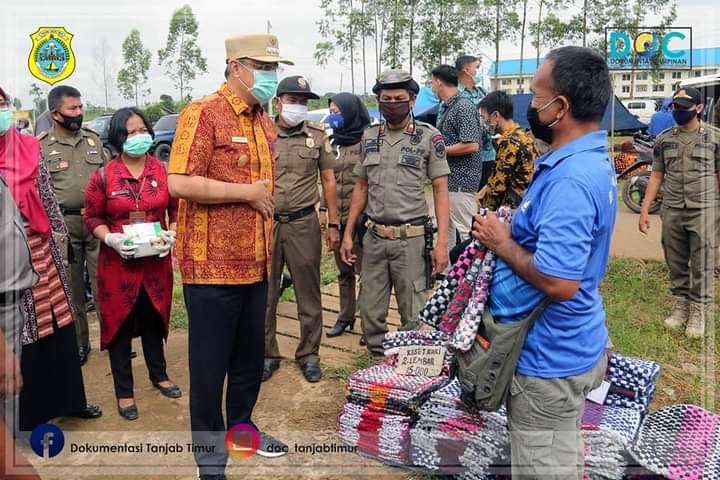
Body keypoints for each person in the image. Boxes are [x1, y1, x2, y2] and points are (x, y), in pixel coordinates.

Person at [473, 47, 616, 478]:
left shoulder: (571, 179)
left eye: (536, 97)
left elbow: (558, 282)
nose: (530, 106)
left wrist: (501, 241)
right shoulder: (583, 162)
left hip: (549, 358)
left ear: (561, 107)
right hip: (567, 346)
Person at [167, 33, 289, 479]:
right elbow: (179, 182)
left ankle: (242, 427)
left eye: (275, 67)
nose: (272, 76)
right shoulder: (203, 114)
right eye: (264, 66)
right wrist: (247, 193)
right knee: (209, 368)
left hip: (255, 262)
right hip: (212, 269)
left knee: (248, 361)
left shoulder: (262, 119)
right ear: (236, 66)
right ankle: (211, 460)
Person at [0, 87, 102, 433]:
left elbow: (47, 199)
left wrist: (59, 245)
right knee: (26, 331)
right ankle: (30, 416)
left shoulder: (29, 147)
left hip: (43, 247)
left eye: (3, 104)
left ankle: (71, 402)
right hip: (8, 260)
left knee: (59, 322)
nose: (2, 111)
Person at [340, 69, 451, 357]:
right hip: (374, 240)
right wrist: (349, 233)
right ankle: (377, 366)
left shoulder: (429, 137)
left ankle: (407, 376)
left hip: (411, 241)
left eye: (398, 98)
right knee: (370, 311)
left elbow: (440, 190)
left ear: (412, 100)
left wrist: (442, 244)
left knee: (413, 313)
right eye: (385, 98)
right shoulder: (369, 136)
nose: (391, 103)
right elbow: (361, 187)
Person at [84, 107, 180, 421]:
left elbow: (178, 210)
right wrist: (109, 239)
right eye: (130, 132)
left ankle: (159, 374)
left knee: (154, 318)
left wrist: (172, 234)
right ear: (117, 138)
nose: (139, 137)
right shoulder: (103, 175)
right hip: (118, 267)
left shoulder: (163, 171)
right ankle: (124, 391)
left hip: (156, 264)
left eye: (143, 130)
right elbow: (92, 217)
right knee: (120, 326)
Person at [263, 76, 340, 383]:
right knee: (265, 293)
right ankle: (267, 354)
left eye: (304, 101)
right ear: (278, 101)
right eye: (293, 100)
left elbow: (329, 181)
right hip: (267, 224)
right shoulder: (262, 133)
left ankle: (309, 354)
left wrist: (333, 222)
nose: (299, 106)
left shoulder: (317, 135)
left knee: (308, 292)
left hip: (303, 223)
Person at [639, 87, 720, 339]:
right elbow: (656, 175)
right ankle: (681, 306)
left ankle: (698, 311)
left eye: (684, 107)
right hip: (673, 209)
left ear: (698, 108)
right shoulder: (664, 139)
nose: (678, 111)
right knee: (676, 262)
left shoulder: (715, 138)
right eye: (675, 106)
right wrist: (644, 209)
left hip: (705, 209)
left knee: (703, 262)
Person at [39, 85, 106, 366]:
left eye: (80, 107)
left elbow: (106, 177)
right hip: (64, 225)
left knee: (105, 283)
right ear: (56, 114)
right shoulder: (42, 146)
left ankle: (114, 339)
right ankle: (81, 343)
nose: (79, 113)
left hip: (97, 222)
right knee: (73, 287)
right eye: (72, 109)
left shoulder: (94, 140)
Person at [324, 93, 372, 340]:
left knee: (366, 272)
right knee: (344, 272)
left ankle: (368, 323)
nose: (334, 116)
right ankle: (345, 316)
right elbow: (327, 182)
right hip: (338, 219)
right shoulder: (331, 144)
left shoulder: (367, 142)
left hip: (362, 221)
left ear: (351, 113)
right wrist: (327, 218)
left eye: (338, 111)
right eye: (331, 111)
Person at [431, 65, 483, 252]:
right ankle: (449, 275)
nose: (431, 86)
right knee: (449, 231)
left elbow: (472, 144)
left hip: (461, 181)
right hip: (449, 180)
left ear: (438, 82)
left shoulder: (463, 106)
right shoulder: (447, 107)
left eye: (432, 82)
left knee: (467, 231)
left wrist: (439, 151)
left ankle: (473, 273)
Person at [478, 91, 537, 210]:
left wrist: (484, 210)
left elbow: (497, 188)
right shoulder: (522, 135)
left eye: (484, 118)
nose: (483, 123)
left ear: (496, 115)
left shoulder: (509, 142)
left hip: (512, 209)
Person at [455, 55, 497, 191]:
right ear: (467, 70)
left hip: (488, 153)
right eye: (477, 68)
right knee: (468, 199)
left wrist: (491, 126)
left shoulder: (483, 93)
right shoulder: (455, 95)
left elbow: (493, 118)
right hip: (466, 158)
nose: (480, 72)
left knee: (486, 197)